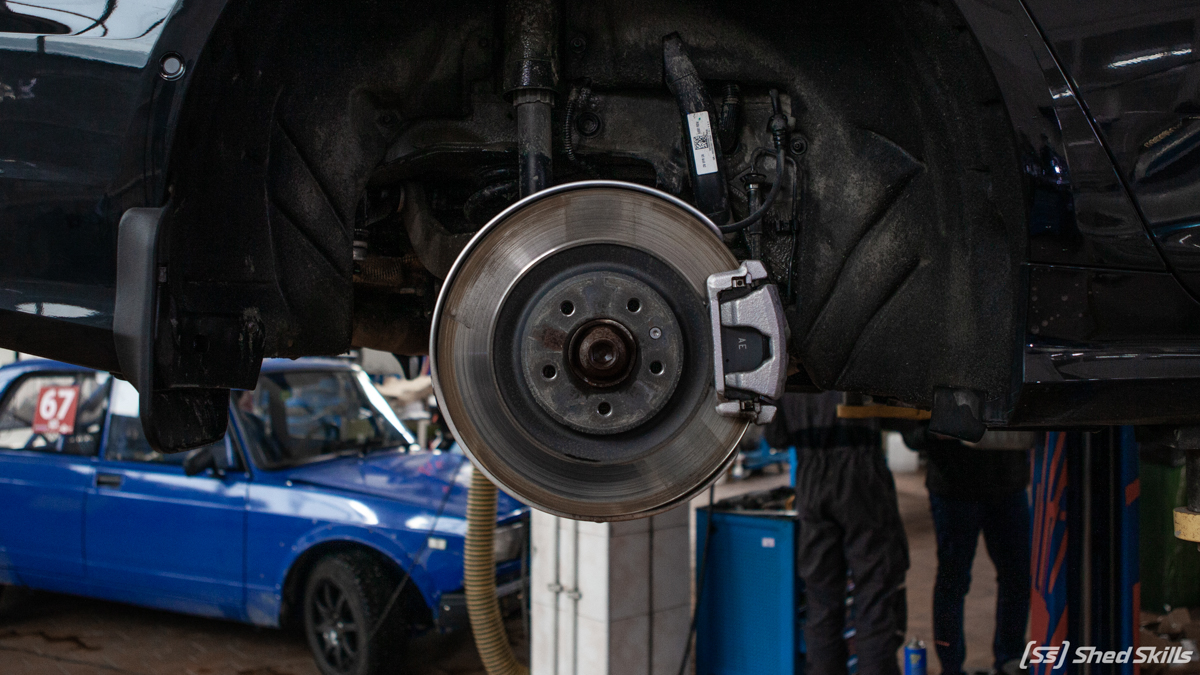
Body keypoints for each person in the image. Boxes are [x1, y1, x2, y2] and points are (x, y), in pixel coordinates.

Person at [765, 392, 910, 675]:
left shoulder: (787, 371)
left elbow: (776, 437)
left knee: (821, 599)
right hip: (862, 472)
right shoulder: (863, 363)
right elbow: (906, 422)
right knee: (875, 590)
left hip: (811, 479)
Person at [901, 426, 1032, 675]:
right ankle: (951, 666)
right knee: (953, 581)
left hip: (1007, 485)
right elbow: (911, 435)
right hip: (954, 488)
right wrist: (937, 431)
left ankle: (1011, 658)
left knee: (1018, 577)